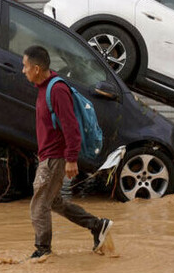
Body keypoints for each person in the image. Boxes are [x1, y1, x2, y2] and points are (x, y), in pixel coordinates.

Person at [22, 45, 112, 259]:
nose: (22, 71)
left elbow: (71, 127)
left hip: (55, 157)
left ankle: (42, 251)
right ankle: (97, 226)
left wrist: (71, 159)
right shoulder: (44, 88)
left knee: (39, 203)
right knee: (53, 202)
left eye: (24, 66)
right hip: (48, 156)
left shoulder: (57, 90)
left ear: (36, 68)